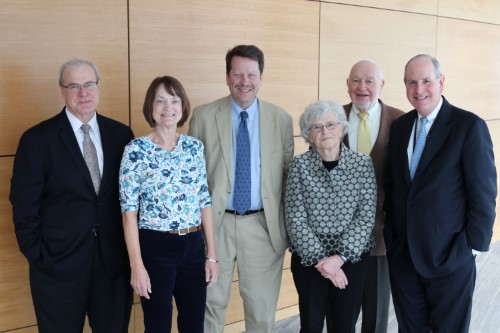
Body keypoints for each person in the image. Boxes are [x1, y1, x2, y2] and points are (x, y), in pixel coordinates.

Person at [9, 58, 134, 332]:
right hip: (57, 270)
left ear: (98, 87)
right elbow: (23, 206)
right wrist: (39, 256)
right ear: (62, 90)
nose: (83, 93)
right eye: (74, 86)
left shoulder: (121, 135)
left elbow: (131, 200)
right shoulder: (37, 139)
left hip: (113, 266)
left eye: (89, 84)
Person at [384, 54, 497, 332]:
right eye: (412, 82)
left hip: (450, 258)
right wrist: (392, 239)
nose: (418, 90)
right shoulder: (399, 128)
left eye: (426, 81)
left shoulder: (469, 126)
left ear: (441, 82)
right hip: (404, 257)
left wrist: (470, 248)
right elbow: (395, 188)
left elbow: (483, 193)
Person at [188, 44, 294, 333]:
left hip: (262, 225)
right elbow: (191, 179)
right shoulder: (203, 116)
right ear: (227, 77)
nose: (244, 82)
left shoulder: (281, 119)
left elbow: (287, 179)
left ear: (261, 77)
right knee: (210, 305)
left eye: (251, 74)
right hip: (214, 225)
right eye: (238, 74)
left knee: (261, 310)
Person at [119, 76, 218, 333]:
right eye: (160, 101)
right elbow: (129, 213)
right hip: (155, 247)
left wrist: (212, 256)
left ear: (182, 106)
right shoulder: (135, 150)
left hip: (193, 246)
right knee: (157, 326)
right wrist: (136, 265)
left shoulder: (194, 147)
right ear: (150, 107)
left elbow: (204, 201)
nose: (168, 107)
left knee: (193, 324)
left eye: (174, 101)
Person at [285, 100, 377, 333]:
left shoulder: (362, 164)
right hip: (309, 260)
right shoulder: (299, 166)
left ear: (342, 128)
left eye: (330, 124)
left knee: (345, 325)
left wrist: (339, 259)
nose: (325, 131)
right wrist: (321, 260)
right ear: (308, 135)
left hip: (351, 260)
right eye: (317, 127)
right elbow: (295, 217)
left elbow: (365, 217)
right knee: (311, 325)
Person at [342, 60, 404, 333]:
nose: (362, 87)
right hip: (338, 239)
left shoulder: (402, 121)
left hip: (381, 237)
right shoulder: (331, 117)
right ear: (347, 85)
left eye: (369, 81)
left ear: (382, 85)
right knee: (340, 313)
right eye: (356, 80)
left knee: (376, 317)